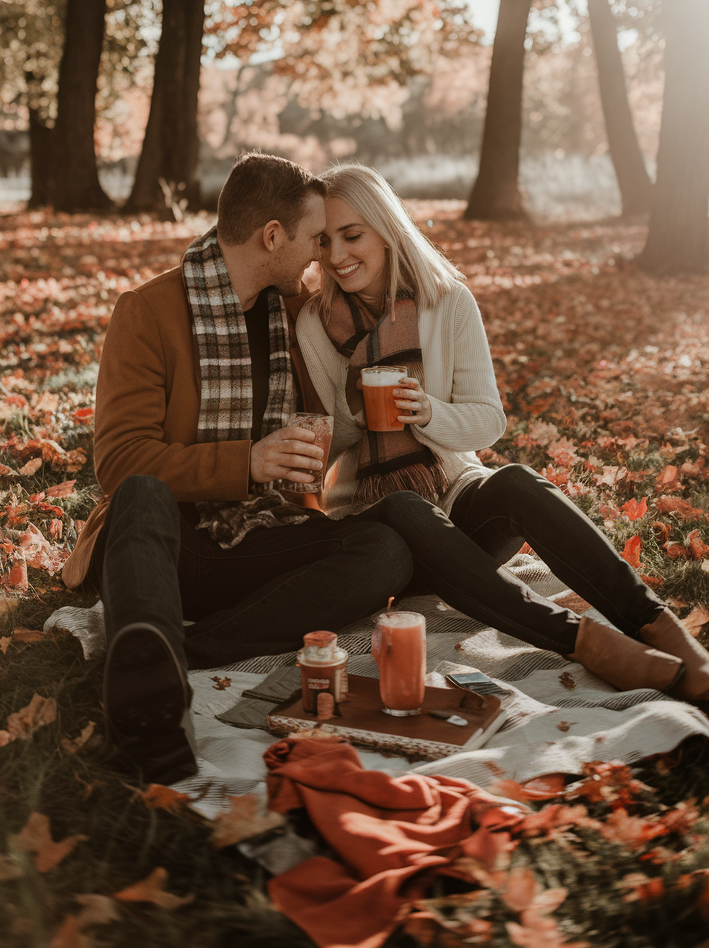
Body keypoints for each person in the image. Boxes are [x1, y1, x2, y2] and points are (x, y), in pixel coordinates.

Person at [296, 163, 709, 707]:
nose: (338, 255)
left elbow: (489, 420)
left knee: (514, 481)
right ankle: (588, 643)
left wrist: (427, 414)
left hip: (455, 496)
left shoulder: (447, 303)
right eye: (325, 241)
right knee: (402, 506)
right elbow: (329, 451)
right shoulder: (314, 324)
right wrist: (355, 414)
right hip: (382, 532)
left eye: (353, 236)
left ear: (387, 228)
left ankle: (659, 627)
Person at [62, 153, 413, 783]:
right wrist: (248, 462)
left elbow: (326, 417)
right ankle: (152, 712)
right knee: (141, 494)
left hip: (252, 538)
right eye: (312, 238)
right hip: (163, 542)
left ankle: (177, 649)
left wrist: (314, 455)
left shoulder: (295, 314)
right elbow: (117, 462)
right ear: (272, 237)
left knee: (383, 547)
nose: (320, 255)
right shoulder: (147, 312)